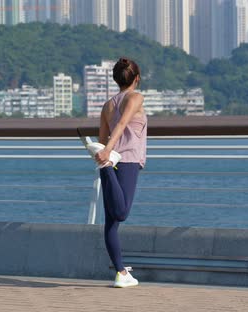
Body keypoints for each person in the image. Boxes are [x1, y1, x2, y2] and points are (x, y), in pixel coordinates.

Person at [93, 57, 147, 288]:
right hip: (126, 161)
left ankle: (121, 273)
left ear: (116, 79)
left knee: (111, 221)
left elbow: (103, 135)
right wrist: (107, 152)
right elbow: (123, 123)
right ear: (137, 78)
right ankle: (122, 273)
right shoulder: (136, 97)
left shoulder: (107, 105)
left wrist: (105, 150)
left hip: (109, 159)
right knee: (121, 214)